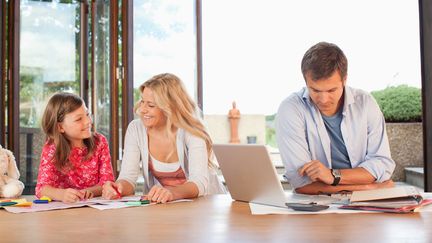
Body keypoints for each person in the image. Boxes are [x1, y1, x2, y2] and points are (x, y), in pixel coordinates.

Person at [276, 42, 396, 195]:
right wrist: (368, 188)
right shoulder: (291, 109)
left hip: (366, 204)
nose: (324, 99)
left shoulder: (365, 103)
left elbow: (382, 164)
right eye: (315, 90)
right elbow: (302, 184)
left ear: (344, 80)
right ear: (306, 81)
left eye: (331, 90)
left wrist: (333, 176)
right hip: (316, 206)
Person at [102, 73, 225, 203]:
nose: (142, 109)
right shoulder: (136, 129)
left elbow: (199, 183)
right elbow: (128, 177)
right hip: (169, 207)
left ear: (170, 108)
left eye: (151, 105)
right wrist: (119, 187)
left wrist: (171, 192)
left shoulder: (191, 131)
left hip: (207, 204)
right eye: (142, 102)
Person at [36, 92, 114, 203]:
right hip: (62, 213)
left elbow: (107, 182)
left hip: (95, 210)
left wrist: (88, 191)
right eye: (79, 119)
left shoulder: (100, 142)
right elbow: (41, 189)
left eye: (87, 114)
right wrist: (62, 194)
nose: (88, 121)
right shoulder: (52, 148)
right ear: (60, 127)